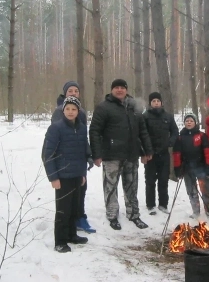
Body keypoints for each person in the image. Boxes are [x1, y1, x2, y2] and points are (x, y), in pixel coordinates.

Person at [89, 79, 153, 230]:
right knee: (110, 186)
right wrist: (96, 154)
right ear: (112, 90)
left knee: (132, 185)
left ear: (126, 89)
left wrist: (147, 150)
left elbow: (142, 131)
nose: (119, 90)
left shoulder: (134, 106)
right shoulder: (103, 107)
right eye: (116, 87)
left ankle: (134, 214)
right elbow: (94, 131)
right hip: (111, 154)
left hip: (131, 154)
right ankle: (112, 215)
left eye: (122, 88)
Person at [42, 97, 90, 253]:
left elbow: (83, 153)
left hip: (77, 175)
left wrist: (83, 174)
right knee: (63, 210)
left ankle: (71, 235)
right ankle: (60, 241)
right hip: (62, 176)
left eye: (74, 109)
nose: (70, 112)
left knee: (75, 208)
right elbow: (48, 154)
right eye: (67, 109)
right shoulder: (56, 128)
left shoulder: (82, 128)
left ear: (78, 111)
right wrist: (53, 177)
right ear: (63, 110)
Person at [51, 81, 96, 233]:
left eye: (76, 91)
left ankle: (78, 218)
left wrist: (88, 155)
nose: (73, 93)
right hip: (65, 163)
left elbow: (83, 137)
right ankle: (67, 226)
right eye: (70, 90)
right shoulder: (59, 111)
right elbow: (57, 139)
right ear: (65, 93)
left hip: (79, 161)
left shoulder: (81, 112)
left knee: (81, 190)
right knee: (66, 197)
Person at [142, 92, 179, 215]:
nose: (156, 103)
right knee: (150, 180)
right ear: (150, 103)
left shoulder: (168, 116)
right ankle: (150, 205)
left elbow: (174, 131)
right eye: (153, 101)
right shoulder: (145, 116)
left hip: (164, 154)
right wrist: (145, 151)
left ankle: (163, 204)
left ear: (161, 103)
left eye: (158, 101)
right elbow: (142, 134)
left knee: (164, 180)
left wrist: (171, 142)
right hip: (150, 154)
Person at [173, 113, 209, 218]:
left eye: (191, 121)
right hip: (187, 168)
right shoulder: (180, 137)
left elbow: (207, 151)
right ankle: (196, 211)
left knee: (205, 190)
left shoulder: (201, 135)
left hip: (201, 167)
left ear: (195, 122)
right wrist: (177, 168)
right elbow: (177, 154)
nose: (189, 122)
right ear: (184, 123)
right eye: (187, 121)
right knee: (191, 191)